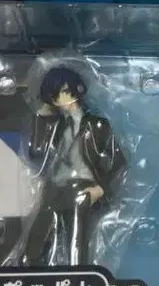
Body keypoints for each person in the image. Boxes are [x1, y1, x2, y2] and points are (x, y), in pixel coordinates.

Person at [21, 66, 126, 267]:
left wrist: (100, 189)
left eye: (63, 92)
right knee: (38, 235)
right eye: (54, 95)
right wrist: (40, 117)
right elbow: (37, 152)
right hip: (55, 187)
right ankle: (27, 269)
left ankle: (77, 275)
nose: (60, 99)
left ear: (76, 90)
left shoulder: (97, 124)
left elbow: (118, 161)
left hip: (82, 188)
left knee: (76, 239)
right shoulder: (56, 126)